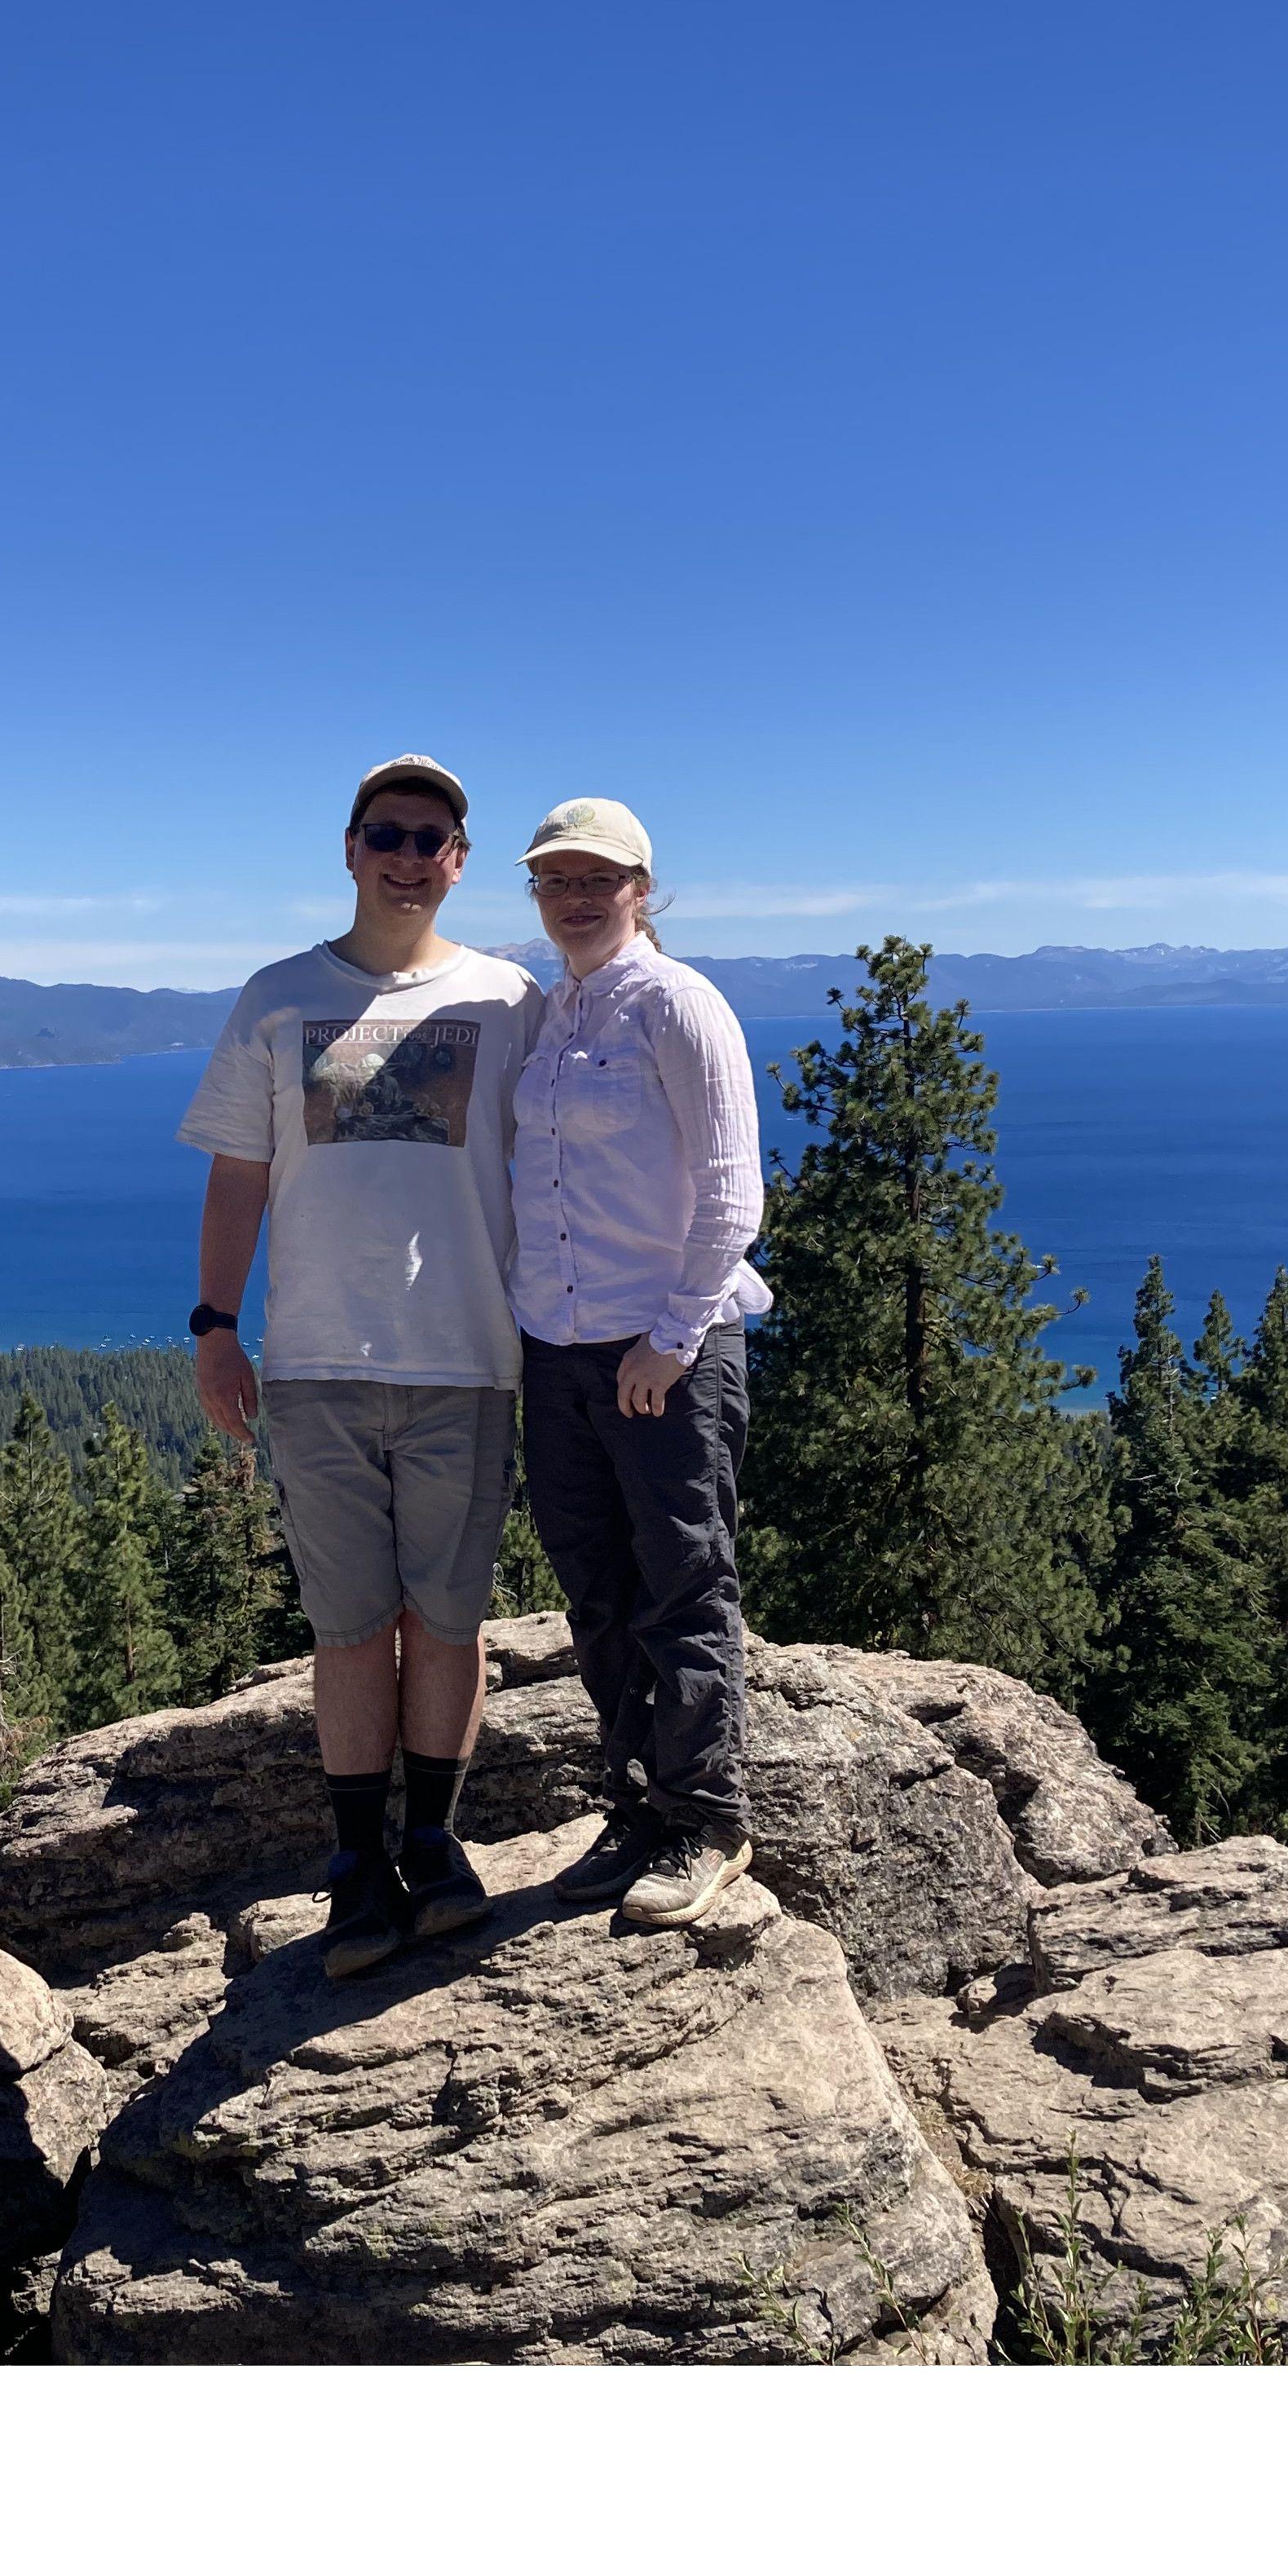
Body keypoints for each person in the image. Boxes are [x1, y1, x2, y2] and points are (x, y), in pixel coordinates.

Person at [179, 756, 541, 1980]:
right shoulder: (278, 999)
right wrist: (215, 1324)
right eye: (386, 832)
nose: (407, 853)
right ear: (348, 848)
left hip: (468, 1358)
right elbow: (239, 1172)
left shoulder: (511, 1000)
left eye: (430, 837)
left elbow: (566, 1161)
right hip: (319, 1364)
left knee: (446, 1619)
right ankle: (355, 1868)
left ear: (459, 861)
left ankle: (432, 1843)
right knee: (347, 1629)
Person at [509, 796, 772, 1928]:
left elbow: (732, 1193)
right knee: (594, 1586)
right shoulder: (550, 1012)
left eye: (596, 879)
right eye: (555, 880)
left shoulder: (677, 1003)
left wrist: (669, 1342)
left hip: (661, 1340)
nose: (575, 896)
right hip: (556, 1343)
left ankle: (707, 1819)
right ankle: (636, 1804)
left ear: (641, 890)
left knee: (680, 1578)